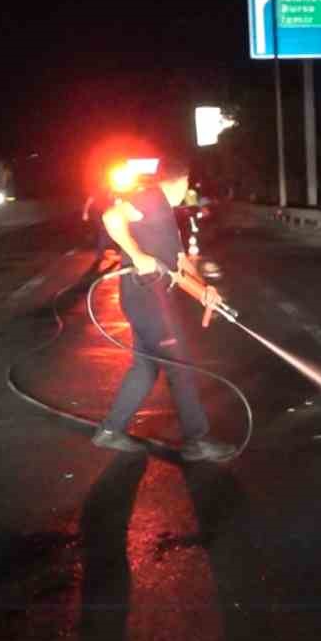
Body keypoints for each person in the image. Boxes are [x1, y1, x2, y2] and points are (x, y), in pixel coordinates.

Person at [93, 157, 234, 462]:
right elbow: (111, 217)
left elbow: (180, 264)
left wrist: (204, 291)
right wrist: (138, 255)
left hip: (144, 302)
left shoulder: (166, 215)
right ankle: (197, 441)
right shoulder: (151, 198)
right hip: (147, 301)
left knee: (145, 366)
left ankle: (110, 431)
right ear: (182, 181)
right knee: (179, 366)